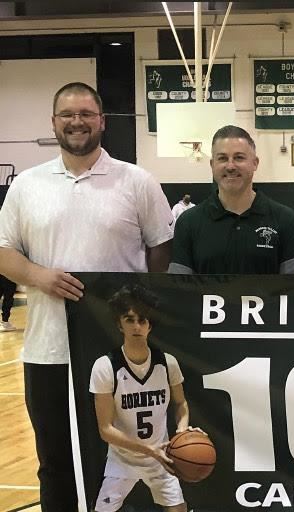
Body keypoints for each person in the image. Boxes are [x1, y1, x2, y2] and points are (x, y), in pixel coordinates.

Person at [0, 82, 173, 511]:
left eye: (85, 114)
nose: (76, 122)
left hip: (122, 355)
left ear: (102, 121)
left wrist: (136, 304)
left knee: (130, 456)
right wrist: (38, 275)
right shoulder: (26, 185)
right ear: (54, 123)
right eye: (67, 114)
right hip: (49, 350)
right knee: (54, 460)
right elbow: (3, 252)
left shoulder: (137, 181)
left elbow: (161, 251)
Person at [90, 285, 198, 512]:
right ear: (119, 324)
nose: (137, 326)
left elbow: (181, 404)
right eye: (129, 319)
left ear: (150, 325)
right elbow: (105, 430)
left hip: (160, 460)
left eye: (143, 320)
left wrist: (182, 432)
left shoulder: (168, 363)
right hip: (122, 460)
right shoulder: (105, 367)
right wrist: (150, 450)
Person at [169, 125, 294, 274]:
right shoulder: (188, 222)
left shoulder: (285, 219)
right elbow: (179, 291)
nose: (230, 166)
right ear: (212, 165)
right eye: (222, 158)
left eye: (239, 157)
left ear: (255, 163)